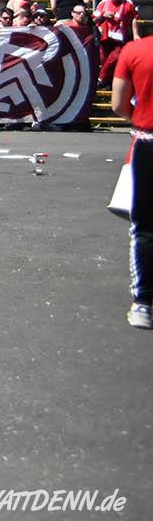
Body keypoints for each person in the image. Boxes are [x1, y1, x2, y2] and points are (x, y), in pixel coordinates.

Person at [109, 30, 153, 329]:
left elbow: (118, 105)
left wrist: (139, 117)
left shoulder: (135, 51)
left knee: (146, 226)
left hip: (149, 141)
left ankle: (143, 303)